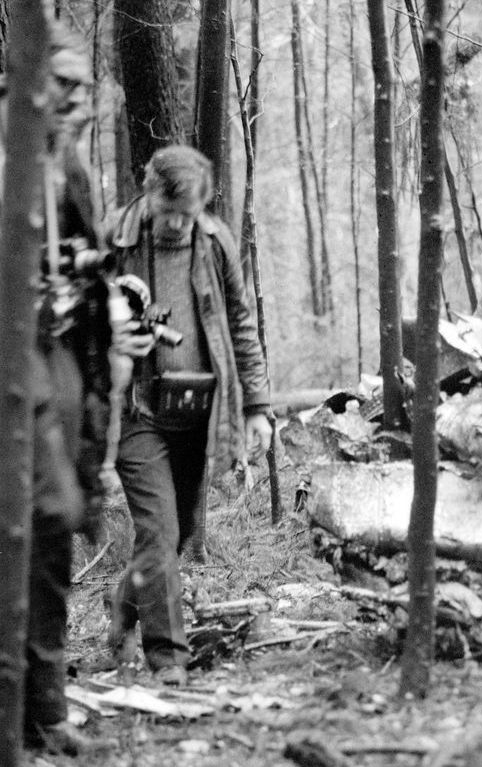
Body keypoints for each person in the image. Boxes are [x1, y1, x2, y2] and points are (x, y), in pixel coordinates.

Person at [1, 21, 137, 756]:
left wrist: (106, 294)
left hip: (59, 362)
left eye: (86, 89)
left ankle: (44, 710)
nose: (79, 102)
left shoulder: (72, 167)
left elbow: (90, 264)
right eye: (64, 87)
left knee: (52, 522)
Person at [105, 145, 273, 686]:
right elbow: (81, 325)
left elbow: (240, 325)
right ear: (146, 191)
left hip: (200, 414)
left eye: (188, 213)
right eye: (168, 211)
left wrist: (257, 406)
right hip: (137, 411)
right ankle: (168, 658)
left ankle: (125, 601)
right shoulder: (114, 241)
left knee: (171, 540)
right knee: (158, 532)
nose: (177, 224)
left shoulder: (216, 241)